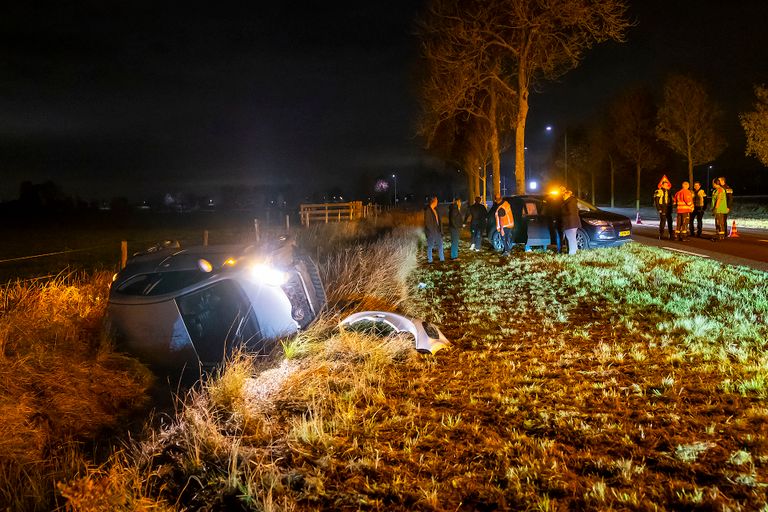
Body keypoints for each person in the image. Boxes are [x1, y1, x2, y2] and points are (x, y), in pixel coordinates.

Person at [424, 196, 444, 263]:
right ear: (433, 202)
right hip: (431, 232)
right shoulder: (428, 210)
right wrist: (432, 231)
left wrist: (440, 230)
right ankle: (430, 260)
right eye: (436, 201)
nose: (437, 202)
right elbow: (427, 223)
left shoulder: (436, 209)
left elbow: (439, 220)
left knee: (440, 245)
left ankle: (442, 259)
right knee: (430, 246)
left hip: (437, 231)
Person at [561, 188, 581, 255]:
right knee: (572, 238)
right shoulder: (573, 201)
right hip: (574, 223)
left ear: (567, 195)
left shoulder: (569, 202)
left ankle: (572, 253)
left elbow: (570, 212)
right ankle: (575, 251)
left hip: (570, 223)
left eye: (564, 196)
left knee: (570, 238)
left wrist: (562, 212)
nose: (563, 197)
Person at [653, 175, 674, 240]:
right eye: (664, 185)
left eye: (667, 185)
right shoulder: (659, 191)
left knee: (670, 221)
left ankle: (671, 234)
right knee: (663, 222)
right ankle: (661, 235)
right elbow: (656, 201)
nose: (666, 186)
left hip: (668, 208)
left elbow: (671, 200)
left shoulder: (669, 192)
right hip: (663, 208)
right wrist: (659, 209)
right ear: (662, 185)